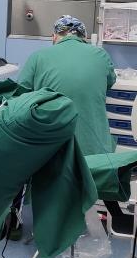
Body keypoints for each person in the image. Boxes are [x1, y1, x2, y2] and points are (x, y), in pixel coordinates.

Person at [17, 16, 117, 156]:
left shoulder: (38, 57)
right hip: (94, 147)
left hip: (52, 147)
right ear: (84, 37)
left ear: (54, 37)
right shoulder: (101, 55)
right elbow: (110, 82)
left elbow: (20, 96)